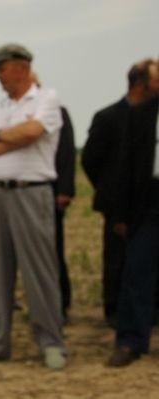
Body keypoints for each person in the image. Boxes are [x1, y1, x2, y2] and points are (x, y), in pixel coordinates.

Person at [0, 43, 67, 369]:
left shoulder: (46, 100)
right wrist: (11, 137)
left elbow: (34, 131)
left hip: (31, 191)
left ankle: (51, 342)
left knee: (39, 270)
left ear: (22, 67)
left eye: (2, 67)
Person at [82, 59, 158, 327]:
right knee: (117, 259)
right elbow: (90, 159)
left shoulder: (152, 116)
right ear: (142, 84)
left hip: (148, 201)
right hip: (117, 202)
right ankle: (113, 311)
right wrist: (109, 189)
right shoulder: (108, 117)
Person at [107, 60, 159, 367]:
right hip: (149, 201)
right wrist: (120, 214)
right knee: (138, 270)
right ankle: (130, 341)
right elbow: (124, 166)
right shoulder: (142, 114)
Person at [31, 72, 76, 322]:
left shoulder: (58, 112)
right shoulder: (14, 116)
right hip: (24, 193)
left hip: (51, 193)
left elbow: (67, 154)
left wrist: (64, 191)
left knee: (53, 252)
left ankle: (61, 305)